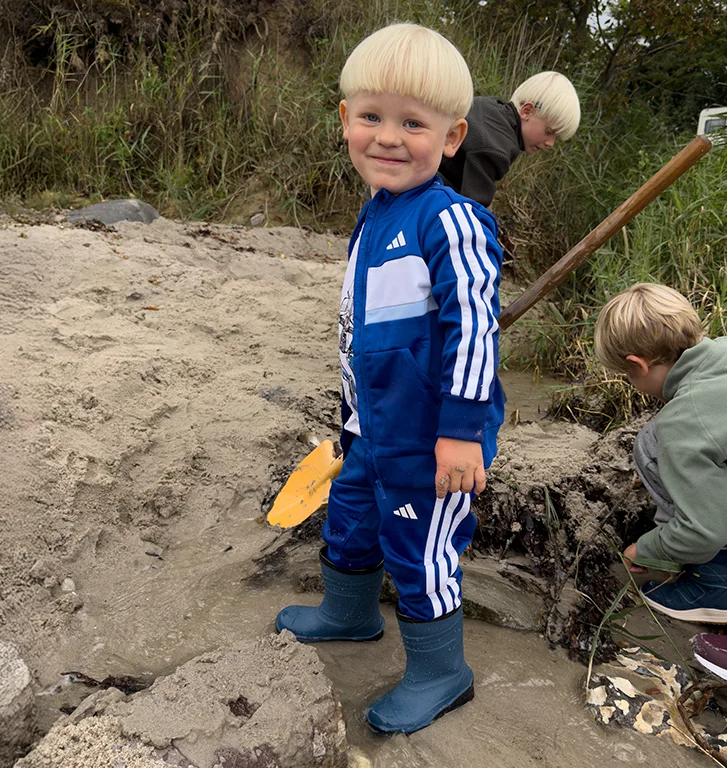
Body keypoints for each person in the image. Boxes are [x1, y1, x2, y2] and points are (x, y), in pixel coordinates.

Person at [274, 23, 505, 734]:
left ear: (453, 136)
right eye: (372, 116)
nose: (389, 137)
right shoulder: (372, 218)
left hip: (433, 439)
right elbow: (358, 337)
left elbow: (475, 328)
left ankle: (442, 671)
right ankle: (347, 613)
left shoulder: (453, 220)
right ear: (346, 122)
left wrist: (461, 434)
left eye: (414, 123)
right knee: (351, 517)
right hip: (370, 426)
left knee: (419, 548)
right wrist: (349, 420)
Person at [592, 284, 727, 625]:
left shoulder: (685, 420)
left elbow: (705, 532)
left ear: (637, 365)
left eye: (627, 377)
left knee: (652, 445)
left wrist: (649, 548)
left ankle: (718, 586)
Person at [438, 72, 581, 207]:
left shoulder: (489, 106)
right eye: (549, 132)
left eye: (556, 138)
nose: (550, 143)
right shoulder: (497, 147)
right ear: (527, 111)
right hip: (426, 189)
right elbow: (473, 208)